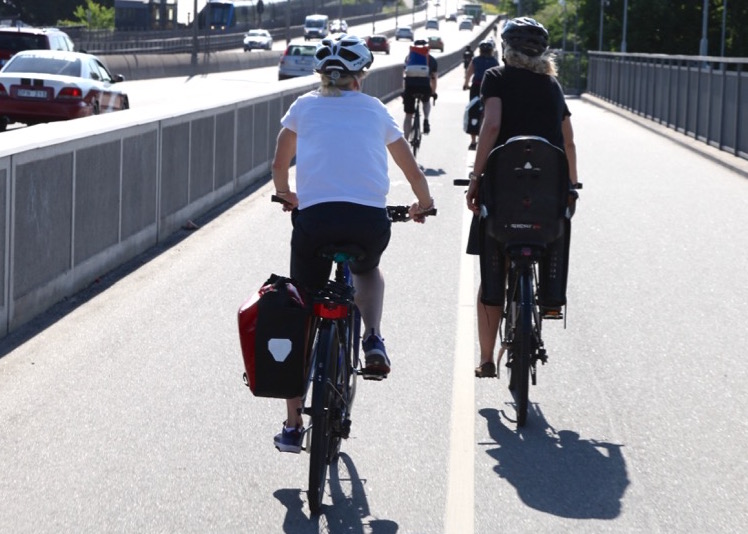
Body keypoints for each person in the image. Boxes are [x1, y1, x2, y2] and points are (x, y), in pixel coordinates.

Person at [270, 35, 435, 451]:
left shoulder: (303, 108)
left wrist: (286, 193)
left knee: (302, 310)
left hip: (314, 222)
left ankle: (292, 427)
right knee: (367, 269)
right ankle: (373, 338)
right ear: (360, 76)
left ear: (321, 76)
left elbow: (279, 161)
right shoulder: (376, 110)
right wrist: (424, 203)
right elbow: (409, 166)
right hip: (367, 222)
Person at [465, 17, 579, 378]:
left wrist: (476, 177)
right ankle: (546, 301)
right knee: (546, 239)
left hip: (503, 189)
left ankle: (486, 357)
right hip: (547, 190)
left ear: (505, 49)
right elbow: (569, 140)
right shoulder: (552, 85)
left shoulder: (496, 77)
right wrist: (572, 186)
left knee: (492, 266)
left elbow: (492, 124)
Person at [463, 39, 499, 150]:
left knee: (473, 110)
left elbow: (469, 73)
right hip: (490, 88)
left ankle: (473, 142)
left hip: (476, 87)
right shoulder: (494, 61)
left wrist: (465, 84)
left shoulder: (475, 60)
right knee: (490, 111)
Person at [402, 39, 438, 139]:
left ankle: (405, 139)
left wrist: (404, 91)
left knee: (408, 116)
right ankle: (426, 119)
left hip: (410, 87)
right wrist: (433, 92)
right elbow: (433, 78)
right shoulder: (431, 60)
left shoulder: (409, 58)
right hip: (424, 86)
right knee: (426, 101)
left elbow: (404, 75)